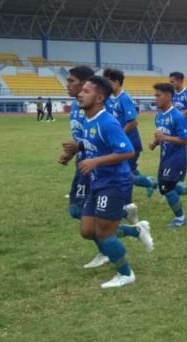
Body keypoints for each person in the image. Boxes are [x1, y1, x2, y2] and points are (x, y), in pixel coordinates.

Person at [60, 66, 152, 269]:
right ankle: (132, 230)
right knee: (85, 224)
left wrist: (95, 161)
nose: (76, 91)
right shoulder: (86, 113)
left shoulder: (105, 118)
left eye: (84, 89)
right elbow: (91, 140)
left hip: (108, 176)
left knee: (99, 227)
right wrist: (74, 150)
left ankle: (122, 267)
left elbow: (125, 149)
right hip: (93, 173)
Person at [149, 83, 187, 228]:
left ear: (168, 96)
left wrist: (165, 138)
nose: (155, 98)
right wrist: (155, 143)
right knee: (170, 187)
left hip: (176, 159)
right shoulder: (159, 116)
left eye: (158, 95)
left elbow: (185, 139)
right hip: (165, 157)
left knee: (166, 188)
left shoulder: (177, 116)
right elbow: (161, 133)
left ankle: (180, 219)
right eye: (155, 95)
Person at [103, 68, 155, 197]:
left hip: (130, 143)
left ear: (115, 82)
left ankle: (129, 201)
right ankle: (149, 182)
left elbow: (133, 122)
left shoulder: (124, 98)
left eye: (107, 81)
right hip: (122, 143)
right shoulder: (114, 99)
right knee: (128, 171)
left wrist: (119, 135)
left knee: (126, 174)